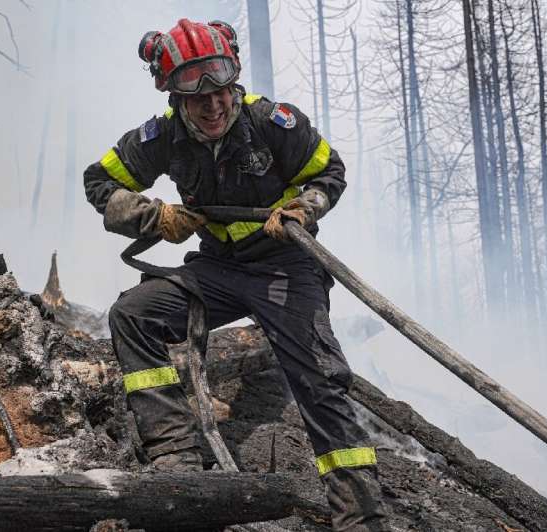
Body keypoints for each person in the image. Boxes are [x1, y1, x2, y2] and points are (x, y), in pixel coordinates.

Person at [83, 18, 388, 531]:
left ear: (235, 81)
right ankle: (176, 461)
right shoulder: (161, 138)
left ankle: (361, 518)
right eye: (195, 92)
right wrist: (154, 217)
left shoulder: (273, 123)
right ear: (173, 95)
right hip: (219, 267)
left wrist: (301, 209)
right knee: (133, 315)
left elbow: (327, 172)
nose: (212, 104)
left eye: (221, 88)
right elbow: (99, 182)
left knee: (319, 381)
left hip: (286, 266)